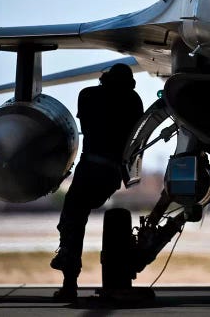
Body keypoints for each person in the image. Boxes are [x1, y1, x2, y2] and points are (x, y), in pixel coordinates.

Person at [50, 63, 144, 300]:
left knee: (73, 219)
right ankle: (69, 273)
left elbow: (86, 126)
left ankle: (69, 280)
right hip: (112, 172)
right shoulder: (133, 101)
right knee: (76, 216)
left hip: (90, 167)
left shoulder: (89, 96)